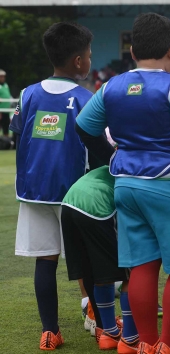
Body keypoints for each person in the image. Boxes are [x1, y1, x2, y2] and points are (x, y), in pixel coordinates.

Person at [75, 13, 170, 354]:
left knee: (141, 266)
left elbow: (83, 127)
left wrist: (111, 155)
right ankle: (168, 345)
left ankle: (145, 344)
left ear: (133, 50)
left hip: (126, 186)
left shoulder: (110, 86)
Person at [8, 22, 94, 351]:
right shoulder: (86, 98)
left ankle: (50, 332)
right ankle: (99, 325)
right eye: (88, 55)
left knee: (45, 260)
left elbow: (17, 127)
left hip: (33, 191)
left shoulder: (26, 94)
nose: (90, 60)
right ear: (77, 61)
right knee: (86, 259)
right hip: (74, 192)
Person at [62, 164, 140, 353]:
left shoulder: (117, 159)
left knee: (97, 271)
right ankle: (130, 338)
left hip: (68, 203)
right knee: (131, 270)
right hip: (97, 207)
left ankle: (109, 333)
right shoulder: (142, 164)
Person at [0, 69, 12, 137]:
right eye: (1, 76)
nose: (2, 78)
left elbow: (8, 96)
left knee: (6, 126)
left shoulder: (6, 85)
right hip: (1, 111)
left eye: (3, 76)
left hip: (6, 110)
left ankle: (6, 142)